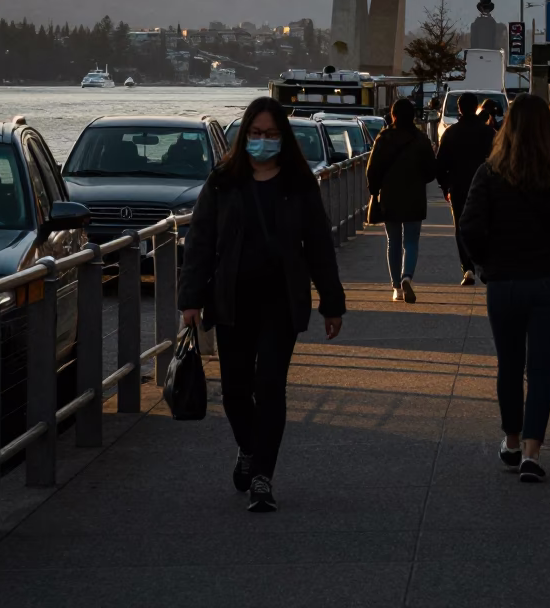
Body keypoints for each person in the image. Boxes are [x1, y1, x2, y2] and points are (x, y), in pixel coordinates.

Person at [178, 96, 346, 513]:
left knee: (270, 386)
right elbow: (199, 242)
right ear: (244, 136)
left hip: (281, 302)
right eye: (255, 134)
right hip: (232, 301)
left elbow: (320, 245)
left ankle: (261, 477)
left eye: (271, 135)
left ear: (282, 138)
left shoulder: (299, 183)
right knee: (235, 391)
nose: (262, 142)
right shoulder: (222, 182)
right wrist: (191, 299)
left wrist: (331, 302)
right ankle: (249, 449)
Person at [459, 94, 550, 483]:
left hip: (505, 282)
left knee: (510, 365)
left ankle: (512, 440)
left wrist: (487, 262)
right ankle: (533, 451)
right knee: (542, 368)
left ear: (507, 128)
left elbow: (468, 227)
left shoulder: (490, 173)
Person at [366, 97, 436, 303]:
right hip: (414, 197)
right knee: (412, 241)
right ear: (413, 116)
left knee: (393, 241)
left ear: (393, 115)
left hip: (390, 196)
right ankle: (408, 277)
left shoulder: (384, 138)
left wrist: (375, 190)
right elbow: (432, 171)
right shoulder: (421, 139)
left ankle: (396, 287)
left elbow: (372, 169)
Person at [435, 91, 496, 286]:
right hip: (486, 186)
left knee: (461, 227)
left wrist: (446, 186)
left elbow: (440, 164)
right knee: (487, 225)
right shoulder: (489, 133)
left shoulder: (451, 133)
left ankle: (467, 267)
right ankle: (484, 264)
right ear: (476, 107)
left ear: (459, 108)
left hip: (459, 186)